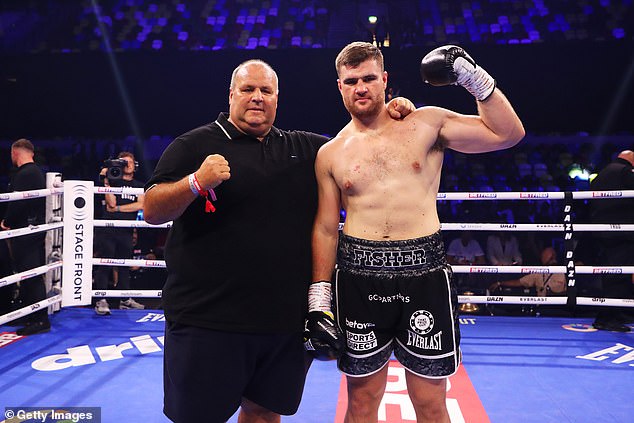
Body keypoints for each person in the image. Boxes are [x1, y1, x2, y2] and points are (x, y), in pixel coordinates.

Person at [142, 59, 415, 422]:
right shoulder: (194, 145)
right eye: (248, 89)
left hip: (282, 322)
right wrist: (196, 182)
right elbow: (152, 209)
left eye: (266, 91)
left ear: (277, 98)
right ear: (231, 94)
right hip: (206, 320)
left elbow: (355, 147)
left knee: (264, 414)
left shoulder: (302, 148)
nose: (257, 98)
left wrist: (390, 113)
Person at [306, 42, 524, 422]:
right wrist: (319, 301)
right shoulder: (332, 153)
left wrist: (473, 79)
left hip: (424, 275)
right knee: (361, 402)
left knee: (429, 402)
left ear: (385, 80)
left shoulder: (426, 123)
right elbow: (326, 228)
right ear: (339, 86)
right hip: (359, 279)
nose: (361, 88)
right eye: (352, 81)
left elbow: (508, 134)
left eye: (369, 79)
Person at [0, 139, 50, 335]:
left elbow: (18, 203)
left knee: (31, 275)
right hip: (30, 229)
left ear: (15, 153)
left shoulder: (26, 173)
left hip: (26, 231)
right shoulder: (35, 172)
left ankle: (39, 319)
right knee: (29, 274)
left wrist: (6, 222)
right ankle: (31, 315)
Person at [93, 151, 145, 315]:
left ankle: (125, 299)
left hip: (126, 229)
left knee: (124, 264)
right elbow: (110, 204)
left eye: (130, 162)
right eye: (123, 162)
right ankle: (101, 300)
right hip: (108, 228)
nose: (127, 165)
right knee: (105, 264)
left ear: (135, 166)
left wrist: (119, 209)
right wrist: (106, 181)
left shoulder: (139, 185)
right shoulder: (113, 180)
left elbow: (140, 205)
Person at [588, 150, 634, 332]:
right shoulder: (623, 172)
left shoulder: (604, 172)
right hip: (620, 232)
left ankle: (615, 313)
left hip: (605, 232)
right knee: (617, 274)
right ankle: (606, 318)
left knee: (613, 273)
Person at [488, 246, 565, 296]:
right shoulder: (538, 273)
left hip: (559, 306)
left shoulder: (564, 272)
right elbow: (518, 282)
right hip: (542, 307)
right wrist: (500, 283)